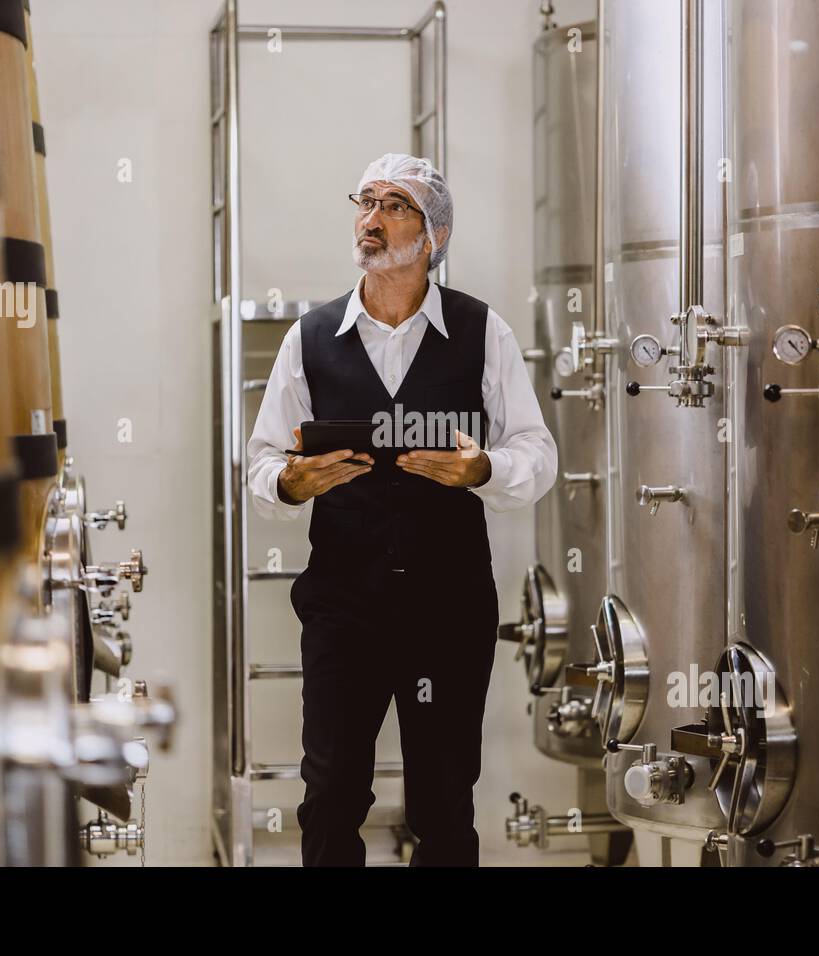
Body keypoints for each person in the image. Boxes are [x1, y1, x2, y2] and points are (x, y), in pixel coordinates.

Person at [246, 152, 557, 866]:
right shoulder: (311, 337)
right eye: (365, 202)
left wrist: (481, 468)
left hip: (447, 611)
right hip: (343, 609)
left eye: (394, 205)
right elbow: (263, 462)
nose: (371, 218)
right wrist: (295, 484)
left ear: (434, 236)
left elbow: (537, 454)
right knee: (330, 795)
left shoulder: (484, 332)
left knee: (443, 803)